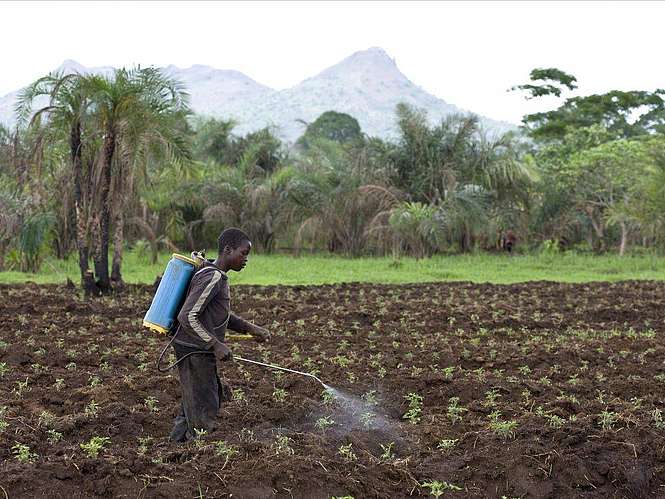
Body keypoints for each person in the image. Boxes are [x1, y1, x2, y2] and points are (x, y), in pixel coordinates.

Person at [169, 227, 269, 442]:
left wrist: (250, 328)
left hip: (191, 347)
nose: (245, 260)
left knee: (192, 405)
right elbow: (187, 316)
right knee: (205, 405)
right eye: (243, 253)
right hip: (194, 351)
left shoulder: (214, 274)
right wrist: (215, 344)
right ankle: (201, 457)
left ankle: (175, 449)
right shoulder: (213, 277)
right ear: (228, 249)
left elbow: (218, 313)